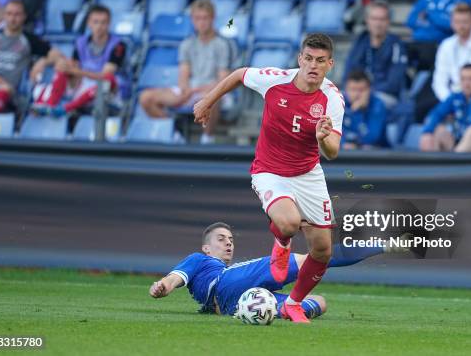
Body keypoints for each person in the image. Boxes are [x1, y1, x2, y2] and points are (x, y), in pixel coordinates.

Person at [194, 33, 344, 323]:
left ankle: (294, 304)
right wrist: (208, 101)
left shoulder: (332, 99)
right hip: (269, 170)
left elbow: (333, 151)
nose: (313, 65)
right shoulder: (275, 80)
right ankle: (282, 244)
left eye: (320, 61)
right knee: (287, 222)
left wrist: (322, 138)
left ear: (330, 64)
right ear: (300, 59)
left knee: (323, 251)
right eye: (309, 59)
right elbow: (239, 74)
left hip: (308, 174)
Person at [149, 222, 389, 319]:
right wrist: (163, 287)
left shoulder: (229, 266)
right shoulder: (199, 260)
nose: (229, 243)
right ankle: (383, 245)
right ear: (207, 248)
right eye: (221, 239)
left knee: (320, 301)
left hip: (239, 304)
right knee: (313, 258)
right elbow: (174, 278)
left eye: (231, 239)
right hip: (228, 283)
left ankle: (271, 311)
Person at [140, 0, 232, 145]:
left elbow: (223, 82)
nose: (201, 22)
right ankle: (175, 134)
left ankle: (207, 139)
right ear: (192, 20)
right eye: (197, 18)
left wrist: (194, 90)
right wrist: (184, 90)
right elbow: (183, 74)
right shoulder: (187, 44)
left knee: (214, 97)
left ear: (212, 18)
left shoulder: (223, 44)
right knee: (146, 98)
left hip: (211, 90)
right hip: (191, 90)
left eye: (205, 18)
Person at [30, 5, 127, 117]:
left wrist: (77, 72)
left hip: (111, 91)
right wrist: (63, 65)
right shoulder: (81, 42)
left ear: (109, 24)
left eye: (103, 22)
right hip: (84, 84)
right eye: (95, 22)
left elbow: (106, 74)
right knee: (63, 68)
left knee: (107, 80)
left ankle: (66, 109)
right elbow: (74, 66)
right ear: (89, 23)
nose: (99, 26)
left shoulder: (118, 45)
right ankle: (49, 106)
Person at [0, 0, 60, 114]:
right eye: (9, 14)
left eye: (17, 14)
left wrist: (42, 62)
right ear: (4, 15)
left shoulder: (29, 39)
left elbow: (57, 55)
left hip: (5, 89)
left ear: (24, 16)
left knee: (5, 90)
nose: (12, 18)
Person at [423, 3, 471, 123]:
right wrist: (452, 103)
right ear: (452, 23)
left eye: (465, 22)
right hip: (451, 101)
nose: (461, 26)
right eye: (457, 22)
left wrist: (470, 101)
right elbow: (439, 82)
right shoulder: (446, 46)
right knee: (430, 120)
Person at [420, 64, 471, 153]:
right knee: (438, 130)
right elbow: (436, 113)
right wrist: (427, 132)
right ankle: (432, 165)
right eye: (463, 79)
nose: (466, 83)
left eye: (470, 79)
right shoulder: (456, 97)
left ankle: (454, 164)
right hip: (460, 143)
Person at [343, 0, 407, 110]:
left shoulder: (396, 45)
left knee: (375, 105)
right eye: (374, 19)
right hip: (357, 91)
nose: (378, 23)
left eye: (382, 19)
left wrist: (368, 95)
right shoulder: (360, 40)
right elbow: (349, 71)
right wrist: (355, 92)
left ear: (388, 22)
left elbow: (394, 82)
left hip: (383, 95)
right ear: (367, 21)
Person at [406, 0, 471, 71]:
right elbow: (411, 21)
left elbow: (454, 25)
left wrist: (431, 16)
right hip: (419, 44)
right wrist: (439, 20)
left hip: (444, 45)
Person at [342, 70, 388, 149]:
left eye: (362, 90)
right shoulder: (339, 103)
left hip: (377, 154)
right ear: (346, 90)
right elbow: (333, 135)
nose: (357, 94)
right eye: (353, 89)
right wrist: (342, 143)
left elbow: (373, 137)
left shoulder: (378, 105)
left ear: (370, 90)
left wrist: (356, 113)